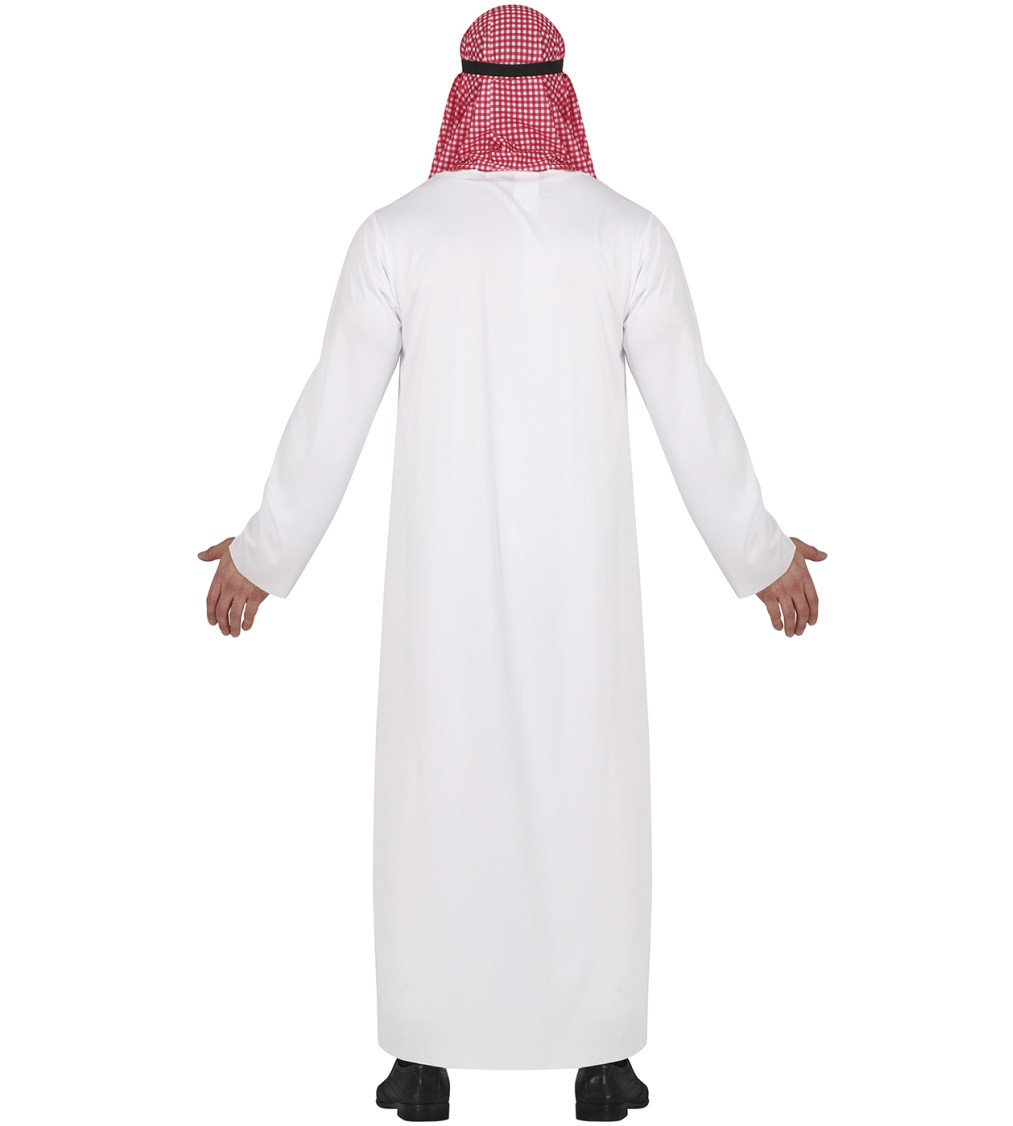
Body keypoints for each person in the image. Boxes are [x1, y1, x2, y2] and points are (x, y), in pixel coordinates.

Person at [198, 4, 826, 1120]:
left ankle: (423, 1063)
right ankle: (601, 1063)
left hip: (439, 587)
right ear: (562, 93)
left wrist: (263, 551)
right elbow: (693, 411)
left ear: (462, 93)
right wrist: (761, 551)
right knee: (591, 801)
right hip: (584, 590)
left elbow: (330, 411)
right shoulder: (627, 236)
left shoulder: (397, 237)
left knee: (436, 798)